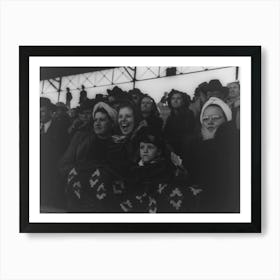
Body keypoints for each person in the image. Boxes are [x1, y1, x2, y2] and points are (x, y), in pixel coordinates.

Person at [182, 97, 240, 212]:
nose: (210, 122)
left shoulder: (236, 143)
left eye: (215, 118)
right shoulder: (194, 144)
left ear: (227, 119)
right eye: (205, 119)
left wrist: (210, 143)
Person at [40, 97, 69, 211]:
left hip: (54, 173)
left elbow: (64, 150)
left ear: (50, 112)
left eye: (42, 111)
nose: (39, 114)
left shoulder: (60, 128)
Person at [163, 89, 195, 156]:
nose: (175, 101)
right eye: (173, 98)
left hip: (185, 150)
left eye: (178, 98)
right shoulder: (170, 117)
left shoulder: (189, 114)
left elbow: (188, 134)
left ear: (183, 101)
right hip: (171, 150)